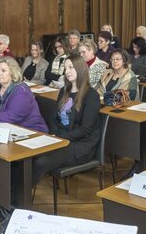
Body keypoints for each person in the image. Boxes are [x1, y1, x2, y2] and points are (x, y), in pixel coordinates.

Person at [32, 56, 103, 189]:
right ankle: (10, 197)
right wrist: (54, 136)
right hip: (62, 140)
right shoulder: (64, 91)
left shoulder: (91, 95)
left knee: (40, 162)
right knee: (29, 158)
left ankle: (17, 201)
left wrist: (61, 138)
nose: (67, 71)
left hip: (80, 146)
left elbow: (85, 130)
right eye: (65, 68)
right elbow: (55, 119)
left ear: (80, 69)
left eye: (71, 67)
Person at [0, 58, 48, 133]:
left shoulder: (21, 91)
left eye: (3, 71)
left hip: (31, 131)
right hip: (3, 129)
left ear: (12, 72)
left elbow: (10, 116)